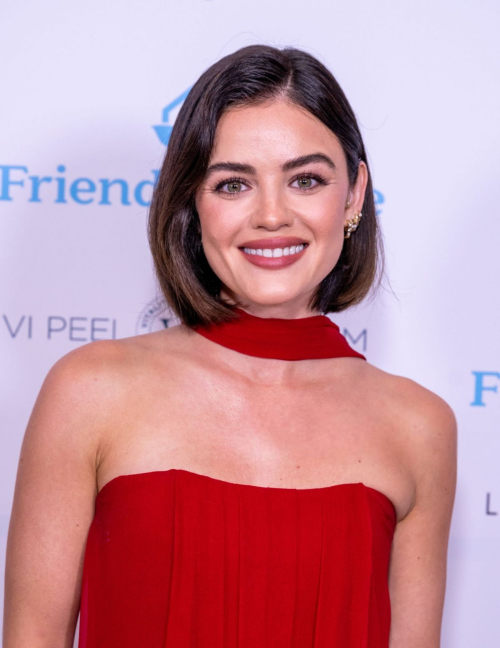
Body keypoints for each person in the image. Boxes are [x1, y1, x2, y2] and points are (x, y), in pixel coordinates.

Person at [3, 44, 457, 647]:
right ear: (192, 201)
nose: (272, 215)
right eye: (234, 184)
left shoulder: (419, 425)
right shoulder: (90, 391)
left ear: (352, 195)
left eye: (306, 179)